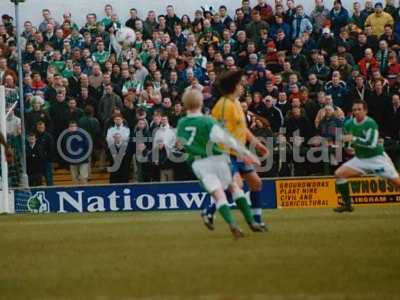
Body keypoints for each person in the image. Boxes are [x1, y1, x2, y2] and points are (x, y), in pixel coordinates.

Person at [176, 89, 263, 238]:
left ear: (184, 104)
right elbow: (225, 139)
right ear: (201, 102)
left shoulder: (181, 123)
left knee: (218, 195)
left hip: (198, 164)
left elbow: (179, 143)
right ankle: (251, 221)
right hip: (217, 159)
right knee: (234, 187)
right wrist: (246, 153)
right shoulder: (208, 121)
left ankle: (232, 224)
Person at [203, 70, 269, 229]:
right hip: (226, 153)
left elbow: (242, 129)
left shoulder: (236, 103)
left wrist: (256, 143)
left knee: (256, 183)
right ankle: (211, 211)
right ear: (233, 86)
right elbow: (221, 135)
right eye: (240, 84)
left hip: (238, 152)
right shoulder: (224, 106)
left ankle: (257, 218)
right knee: (236, 185)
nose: (243, 86)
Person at [334, 99, 400, 212]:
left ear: (365, 111)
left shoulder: (370, 123)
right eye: (354, 109)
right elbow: (349, 142)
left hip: (376, 158)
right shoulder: (348, 124)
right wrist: (348, 148)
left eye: (359, 109)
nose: (356, 112)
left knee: (396, 183)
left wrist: (353, 139)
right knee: (339, 174)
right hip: (361, 158)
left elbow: (372, 143)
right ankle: (347, 204)